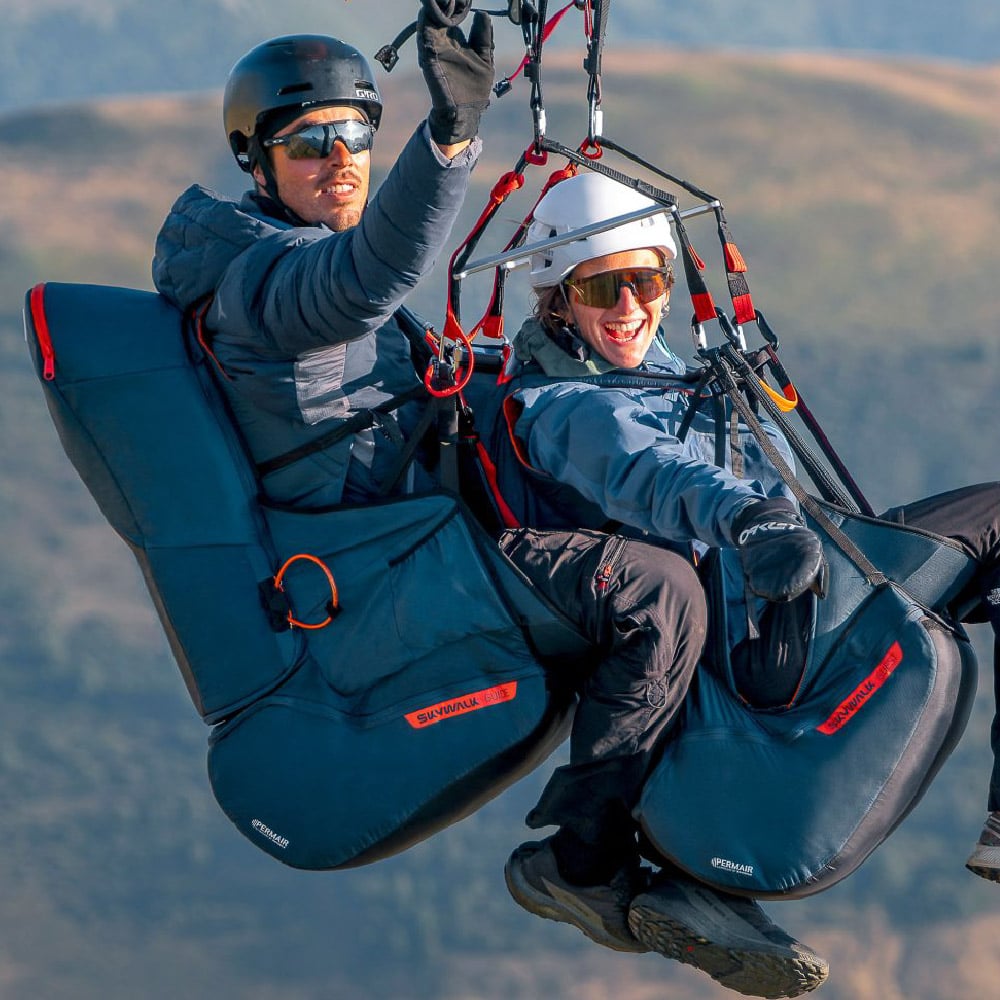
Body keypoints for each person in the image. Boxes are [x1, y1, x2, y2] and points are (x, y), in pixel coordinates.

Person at [485, 170, 1000, 994]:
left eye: (645, 280)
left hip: (803, 581)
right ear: (558, 300)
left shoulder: (676, 376)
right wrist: (753, 521)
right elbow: (650, 473)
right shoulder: (565, 407)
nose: (628, 306)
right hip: (757, 635)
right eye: (601, 287)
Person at [152, 2, 494, 509]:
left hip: (414, 515)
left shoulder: (286, 257)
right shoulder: (263, 283)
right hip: (375, 541)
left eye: (355, 136)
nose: (342, 158)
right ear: (257, 163)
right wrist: (448, 139)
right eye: (310, 142)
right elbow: (364, 277)